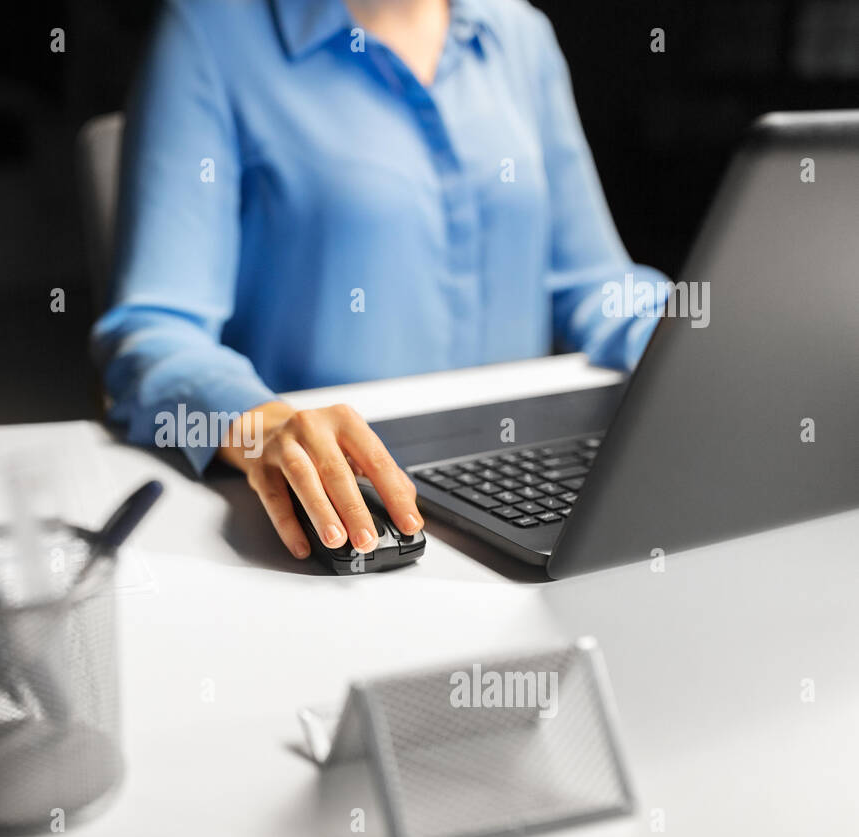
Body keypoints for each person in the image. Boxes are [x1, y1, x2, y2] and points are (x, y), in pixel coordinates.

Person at [91, 0, 667, 560]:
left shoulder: (519, 31)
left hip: (523, 480)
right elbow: (153, 332)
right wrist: (257, 426)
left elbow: (596, 285)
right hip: (337, 504)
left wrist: (708, 331)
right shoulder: (210, 29)